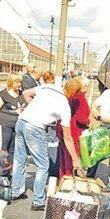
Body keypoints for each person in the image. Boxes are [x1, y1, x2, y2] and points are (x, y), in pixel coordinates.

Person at [11, 72, 83, 211]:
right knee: (43, 166)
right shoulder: (64, 106)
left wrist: (36, 109)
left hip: (21, 122)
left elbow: (26, 93)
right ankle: (38, 201)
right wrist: (75, 159)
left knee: (19, 159)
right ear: (73, 92)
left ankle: (16, 192)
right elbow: (67, 137)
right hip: (35, 128)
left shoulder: (47, 87)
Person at [56, 77, 90, 177]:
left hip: (61, 130)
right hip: (72, 134)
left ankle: (62, 181)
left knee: (62, 162)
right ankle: (69, 185)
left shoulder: (63, 94)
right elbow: (82, 118)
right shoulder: (80, 96)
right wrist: (88, 122)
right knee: (70, 163)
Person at [0, 72, 25, 153]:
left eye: (20, 82)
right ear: (11, 82)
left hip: (17, 126)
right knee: (3, 148)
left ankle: (10, 164)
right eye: (17, 82)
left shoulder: (22, 94)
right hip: (5, 125)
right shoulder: (4, 94)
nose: (19, 84)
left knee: (13, 149)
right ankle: (1, 164)